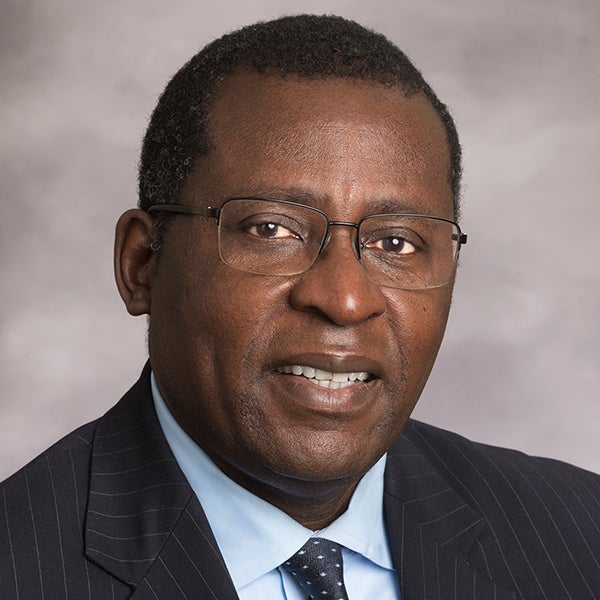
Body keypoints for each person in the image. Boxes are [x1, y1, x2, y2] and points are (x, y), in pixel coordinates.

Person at [1, 14, 599, 600]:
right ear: (142, 264)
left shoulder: (579, 535)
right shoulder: (20, 567)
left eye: (397, 242)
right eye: (271, 229)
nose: (344, 299)